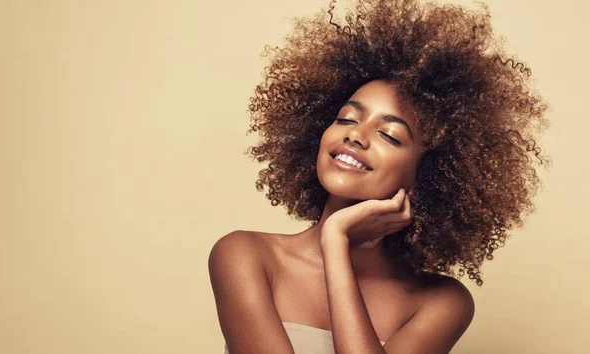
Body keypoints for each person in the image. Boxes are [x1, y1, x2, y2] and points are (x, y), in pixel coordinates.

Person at [209, 0, 549, 353]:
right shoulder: (245, 256)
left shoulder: (441, 302)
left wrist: (335, 242)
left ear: (429, 175)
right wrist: (334, 238)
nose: (355, 135)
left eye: (390, 135)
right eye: (345, 118)